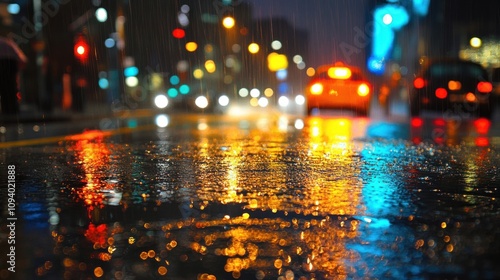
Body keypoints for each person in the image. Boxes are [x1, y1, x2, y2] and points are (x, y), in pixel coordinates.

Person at [0, 36, 26, 115]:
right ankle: (12, 111)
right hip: (11, 65)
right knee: (11, 89)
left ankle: (6, 110)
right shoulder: (9, 43)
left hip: (3, 66)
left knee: (3, 89)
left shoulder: (7, 43)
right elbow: (22, 60)